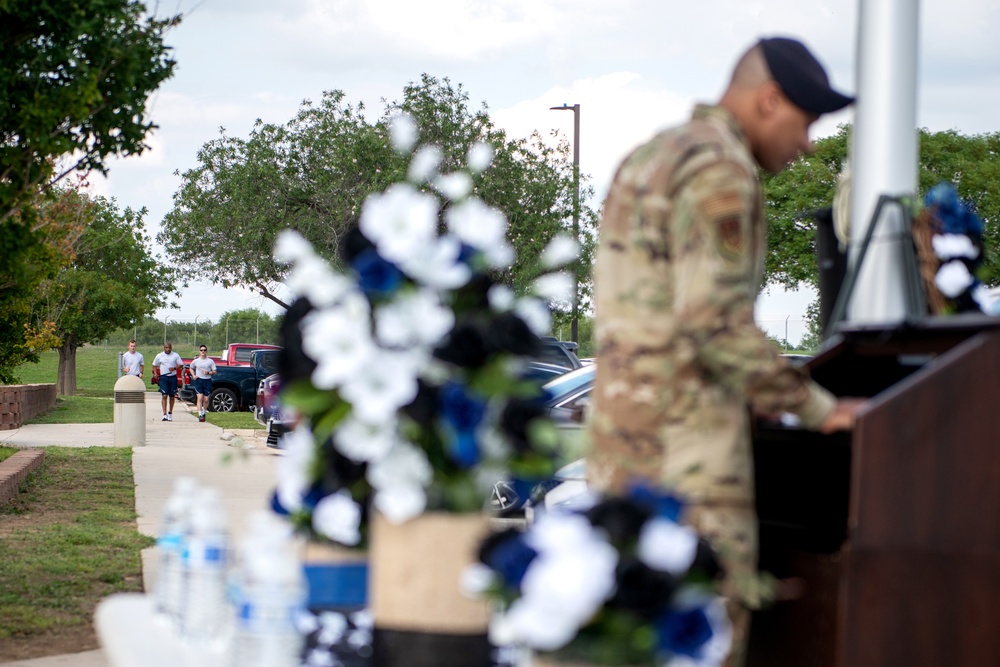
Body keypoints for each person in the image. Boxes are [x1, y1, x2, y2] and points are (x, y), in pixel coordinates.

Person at [586, 36, 865, 666]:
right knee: (700, 642)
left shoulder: (649, 157)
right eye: (807, 121)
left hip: (621, 459)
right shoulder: (722, 169)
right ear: (770, 101)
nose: (808, 144)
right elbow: (714, 323)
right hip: (691, 473)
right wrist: (819, 410)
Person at [152, 342, 183, 421]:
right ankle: (164, 414)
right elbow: (155, 365)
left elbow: (181, 365)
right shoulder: (159, 356)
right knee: (164, 395)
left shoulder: (175, 355)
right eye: (166, 348)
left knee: (172, 396)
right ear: (164, 348)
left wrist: (174, 368)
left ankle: (170, 413)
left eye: (169, 348)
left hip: (172, 377)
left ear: (171, 348)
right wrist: (155, 374)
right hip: (164, 377)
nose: (168, 349)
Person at [189, 345, 217, 422]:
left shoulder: (210, 361)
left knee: (206, 399)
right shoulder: (196, 361)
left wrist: (208, 372)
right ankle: (200, 414)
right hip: (199, 380)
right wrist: (193, 375)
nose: (203, 351)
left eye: (204, 350)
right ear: (199, 351)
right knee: (200, 398)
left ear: (206, 351)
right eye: (201, 350)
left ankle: (204, 412)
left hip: (207, 381)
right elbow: (191, 368)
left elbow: (214, 371)